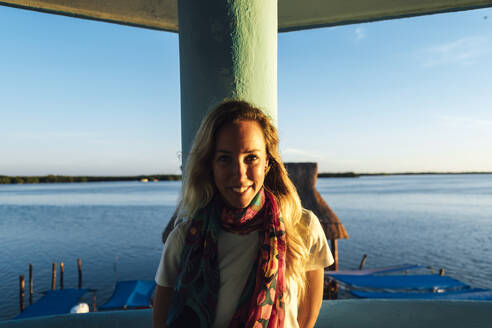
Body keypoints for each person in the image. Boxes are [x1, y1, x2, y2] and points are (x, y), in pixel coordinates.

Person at [153, 100, 333, 328]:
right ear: (210, 165)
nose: (239, 174)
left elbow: (308, 313)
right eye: (225, 159)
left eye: (251, 157)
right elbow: (161, 318)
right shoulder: (184, 238)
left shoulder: (302, 227)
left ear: (267, 161)